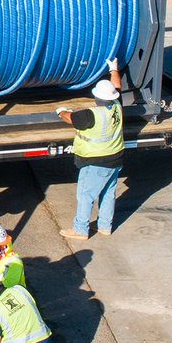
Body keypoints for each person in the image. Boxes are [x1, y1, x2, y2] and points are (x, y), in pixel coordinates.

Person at [57, 58, 124, 240]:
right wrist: (114, 69)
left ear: (96, 97)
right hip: (115, 158)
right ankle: (105, 226)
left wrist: (60, 111)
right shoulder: (117, 105)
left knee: (85, 195)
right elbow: (117, 86)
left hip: (96, 161)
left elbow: (71, 118)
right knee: (108, 193)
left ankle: (80, 229)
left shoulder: (91, 115)